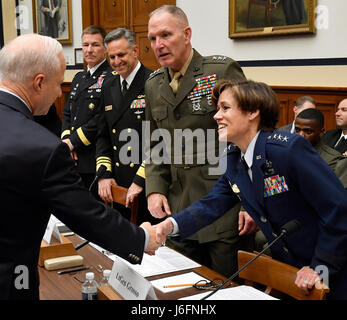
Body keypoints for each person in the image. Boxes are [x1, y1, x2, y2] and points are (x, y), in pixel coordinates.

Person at [0, 34, 159, 300]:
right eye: (57, 82)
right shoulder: (42, 148)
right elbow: (86, 215)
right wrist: (141, 239)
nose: (58, 91)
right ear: (39, 82)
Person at [155, 79, 347, 299]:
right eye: (218, 109)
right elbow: (213, 204)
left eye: (225, 108)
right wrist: (167, 227)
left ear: (253, 112)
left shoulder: (288, 150)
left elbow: (339, 208)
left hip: (332, 271)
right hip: (293, 273)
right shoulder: (234, 159)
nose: (216, 116)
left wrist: (319, 267)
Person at [145, 5, 249, 277]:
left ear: (187, 34)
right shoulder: (153, 84)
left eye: (166, 35)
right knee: (182, 285)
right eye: (153, 38)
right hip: (178, 208)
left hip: (222, 206)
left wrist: (250, 201)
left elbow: (248, 135)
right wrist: (154, 188)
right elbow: (154, 141)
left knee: (226, 288)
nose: (159, 44)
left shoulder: (220, 70)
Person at [96, 28, 153, 224]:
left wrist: (140, 181)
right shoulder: (108, 84)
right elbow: (102, 134)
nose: (116, 61)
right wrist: (104, 174)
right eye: (111, 57)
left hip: (146, 183)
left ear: (135, 51)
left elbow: (159, 138)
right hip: (117, 185)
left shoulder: (153, 83)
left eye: (121, 55)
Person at [61, 25, 113, 191]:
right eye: (85, 45)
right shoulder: (79, 77)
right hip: (74, 157)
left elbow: (101, 119)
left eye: (95, 45)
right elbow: (67, 112)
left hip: (93, 157)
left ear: (105, 48)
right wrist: (67, 142)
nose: (89, 50)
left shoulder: (112, 77)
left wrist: (72, 142)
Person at [294, 108, 347, 188]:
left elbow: (334, 195)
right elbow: (274, 188)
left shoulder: (335, 160)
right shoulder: (287, 152)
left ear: (322, 132)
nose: (300, 135)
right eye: (297, 130)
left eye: (308, 131)